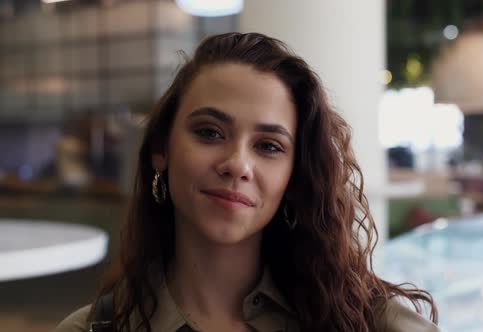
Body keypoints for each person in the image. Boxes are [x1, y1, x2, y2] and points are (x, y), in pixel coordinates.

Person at [55, 32, 438, 332]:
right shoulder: (93, 329)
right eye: (209, 132)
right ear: (162, 150)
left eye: (269, 146)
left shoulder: (366, 321)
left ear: (294, 175)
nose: (237, 164)